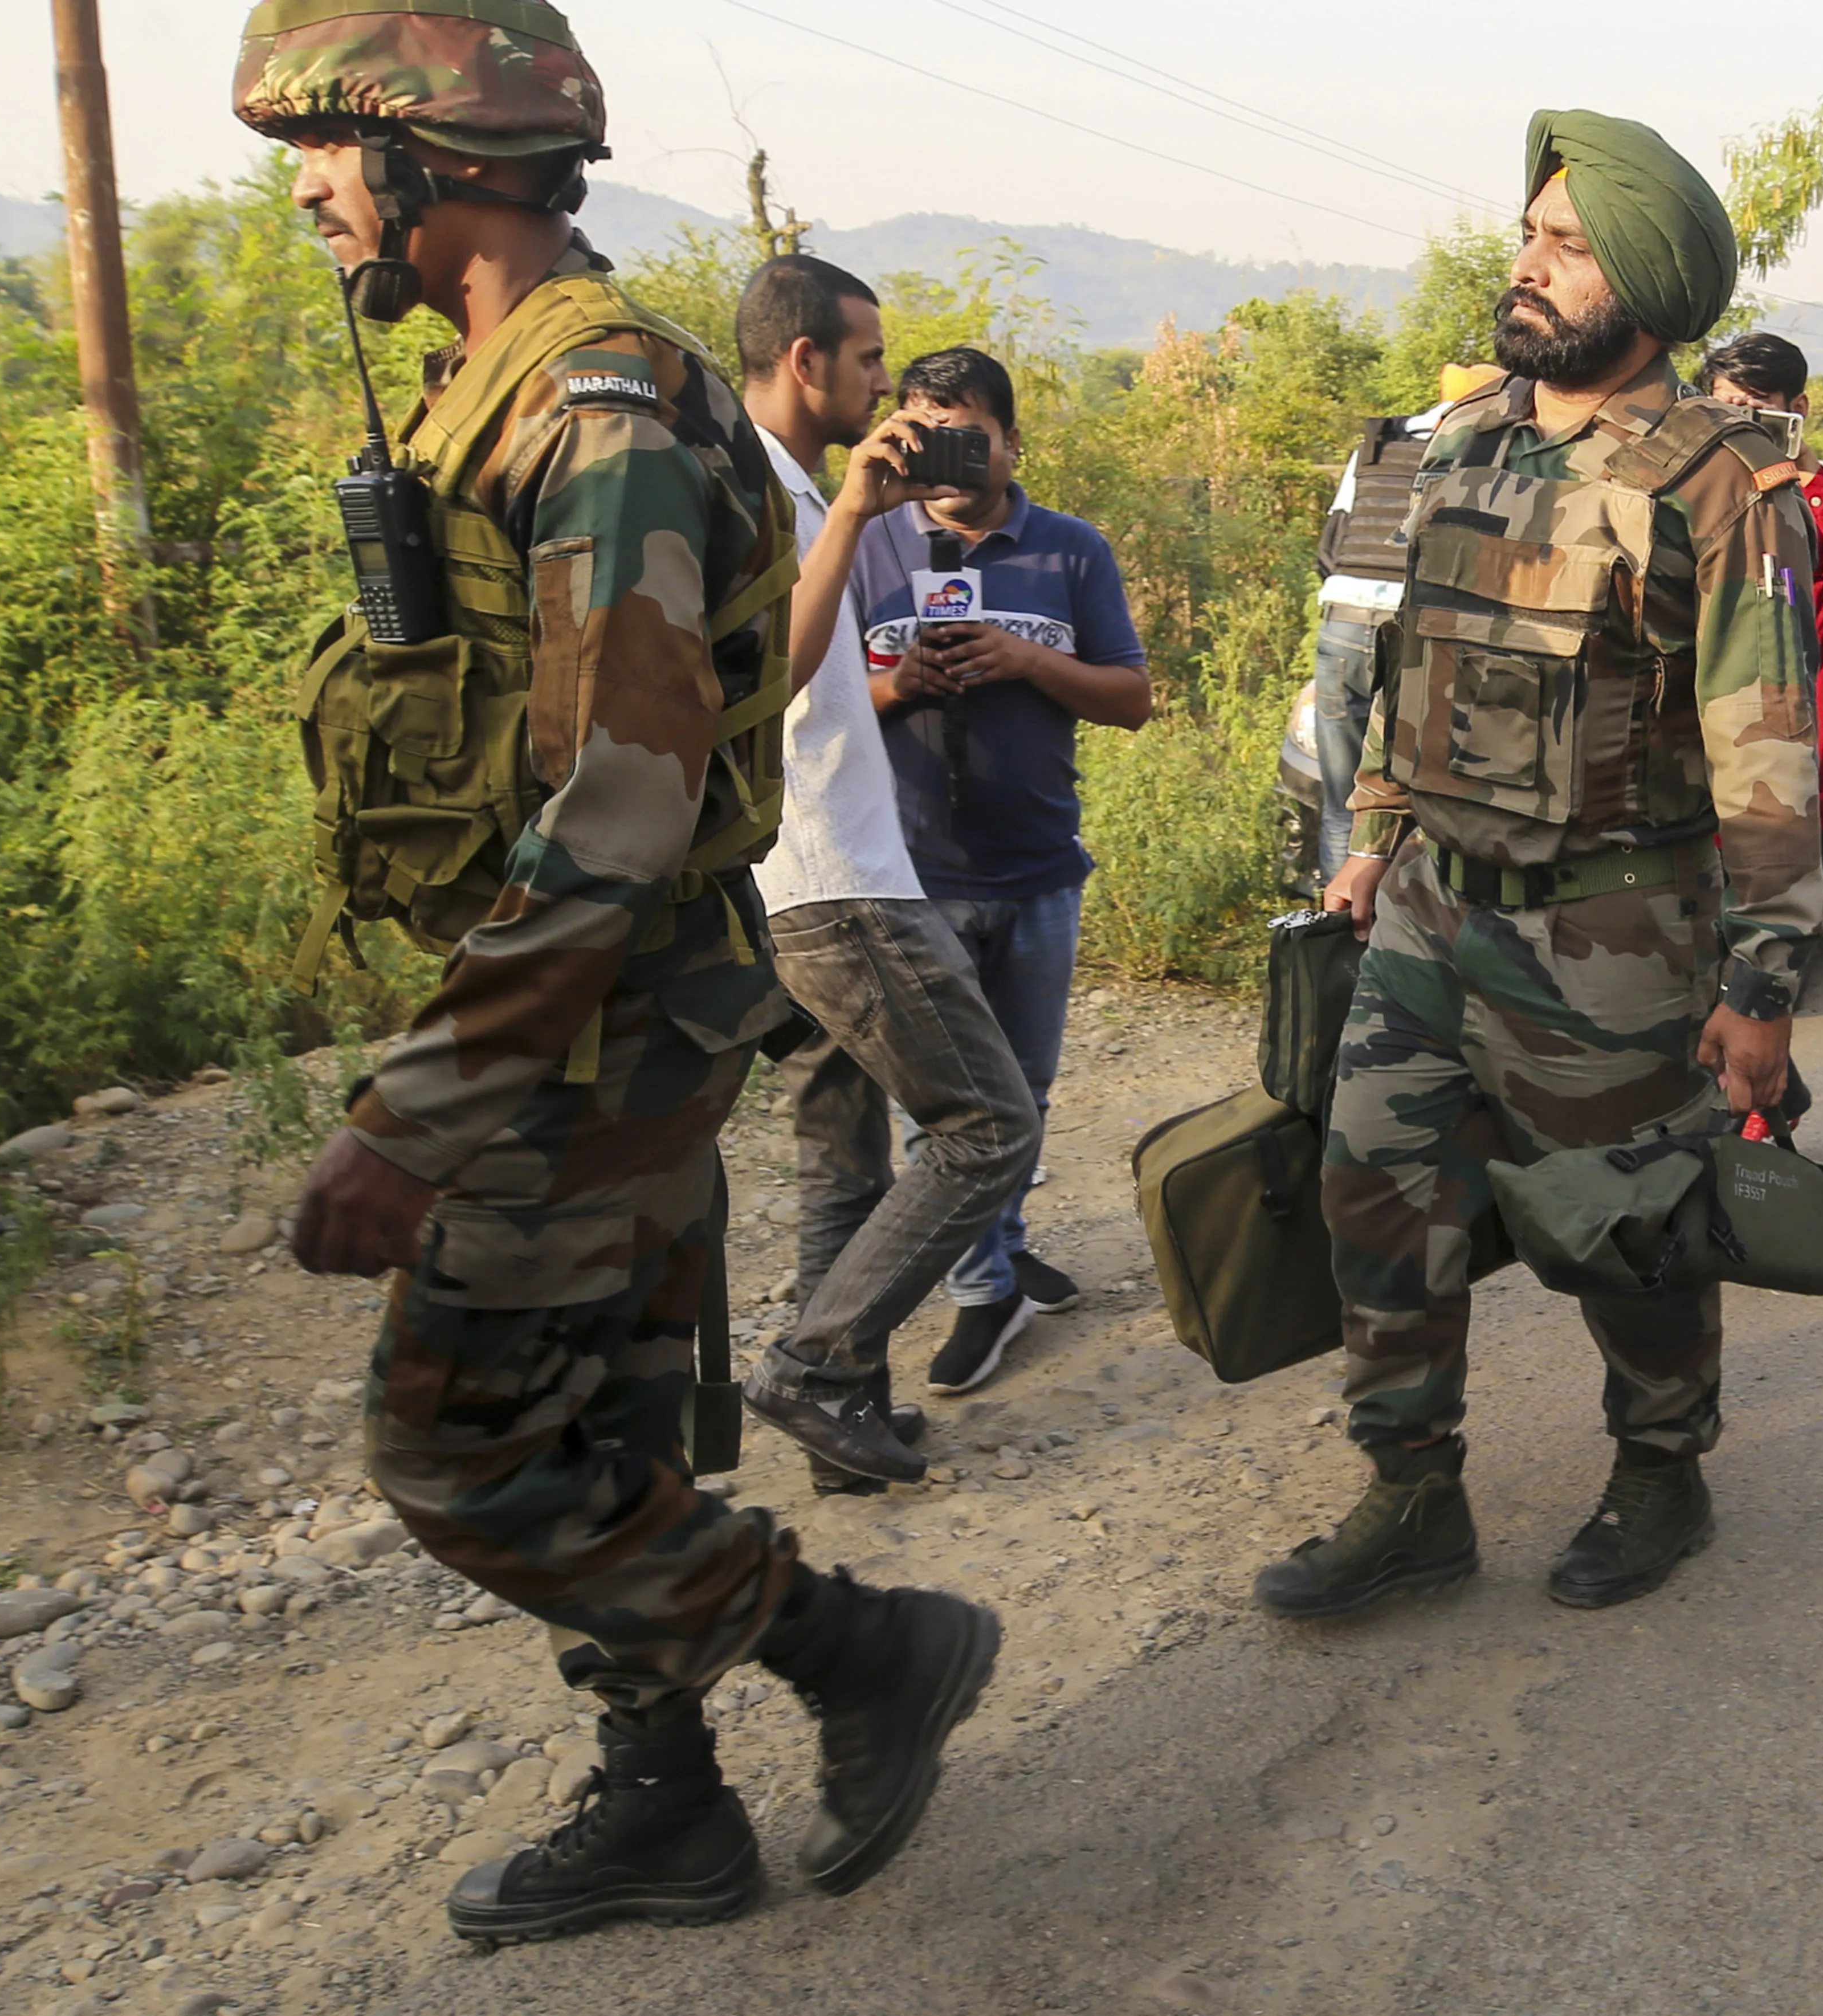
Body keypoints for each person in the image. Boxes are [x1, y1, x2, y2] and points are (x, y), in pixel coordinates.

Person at [239, 0, 996, 1942]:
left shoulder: (601, 417)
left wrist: (420, 1113)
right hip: (607, 1018)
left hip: (586, 1032)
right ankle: (665, 1803)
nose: (308, 187)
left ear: (439, 160)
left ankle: (856, 1649)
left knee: (456, 1442)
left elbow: (625, 805)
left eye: (330, 147)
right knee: (616, 1417)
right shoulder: (502, 389)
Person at [1254, 109, 1823, 1620]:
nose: (1528, 263)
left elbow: (1766, 751)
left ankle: (1660, 1468)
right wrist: (1377, 832)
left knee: (1622, 1226)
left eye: (1566, 246)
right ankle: (1411, 1490)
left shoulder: (1726, 482)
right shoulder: (1468, 444)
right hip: (1434, 911)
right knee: (1373, 1188)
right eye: (1531, 233)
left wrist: (1763, 981)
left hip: (1615, 933)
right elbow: (1411, 669)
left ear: (1641, 283)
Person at [728, 256, 1041, 1489]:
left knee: (843, 1158)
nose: (883, 383)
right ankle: (814, 1364)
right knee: (988, 1125)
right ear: (806, 360)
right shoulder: (772, 494)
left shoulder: (794, 490)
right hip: (832, 879)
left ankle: (842, 1417)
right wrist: (859, 512)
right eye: (868, 360)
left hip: (813, 871)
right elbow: (774, 676)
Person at [851, 346, 1154, 1392]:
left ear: (1013, 441)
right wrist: (899, 686)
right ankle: (984, 1292)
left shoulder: (1070, 551)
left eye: (966, 432)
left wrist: (1026, 660)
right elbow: (813, 696)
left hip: (1037, 868)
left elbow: (1130, 698)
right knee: (946, 1106)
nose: (943, 453)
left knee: (1020, 1094)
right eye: (922, 428)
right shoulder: (866, 544)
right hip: (914, 873)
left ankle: (1003, 1240)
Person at [1700, 331, 1823, 848]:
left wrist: (1806, 473)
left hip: (1791, 773)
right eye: (1727, 410)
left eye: (1759, 410)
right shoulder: (1687, 497)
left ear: (1797, 409)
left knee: (1784, 924)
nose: (1741, 427)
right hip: (1696, 772)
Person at [1310, 363, 1508, 881]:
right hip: (1419, 628)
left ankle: (1338, 933)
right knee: (1419, 787)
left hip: (1344, 621)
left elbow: (1332, 541)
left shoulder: (1377, 444)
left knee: (1342, 797)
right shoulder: (1486, 448)